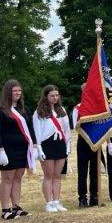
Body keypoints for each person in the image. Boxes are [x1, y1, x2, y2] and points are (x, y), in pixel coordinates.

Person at [0, 80, 35, 219]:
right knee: (7, 178)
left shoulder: (24, 109)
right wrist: (0, 149)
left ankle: (16, 207)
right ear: (8, 92)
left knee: (18, 178)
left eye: (19, 90)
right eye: (14, 91)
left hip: (22, 149)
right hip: (7, 149)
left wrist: (34, 147)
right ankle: (5, 209)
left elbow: (30, 129)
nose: (17, 93)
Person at [32, 85, 71, 213]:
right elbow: (36, 131)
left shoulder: (62, 110)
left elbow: (66, 130)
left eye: (56, 95)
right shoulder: (39, 112)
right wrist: (39, 149)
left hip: (59, 144)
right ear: (46, 96)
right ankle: (49, 203)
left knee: (57, 175)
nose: (55, 98)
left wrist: (68, 145)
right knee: (48, 175)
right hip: (46, 144)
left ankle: (56, 201)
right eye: (52, 95)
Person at [71, 95, 101, 208]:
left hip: (95, 141)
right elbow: (75, 126)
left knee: (95, 170)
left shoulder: (98, 108)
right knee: (82, 172)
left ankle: (94, 196)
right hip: (83, 141)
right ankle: (82, 198)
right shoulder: (77, 108)